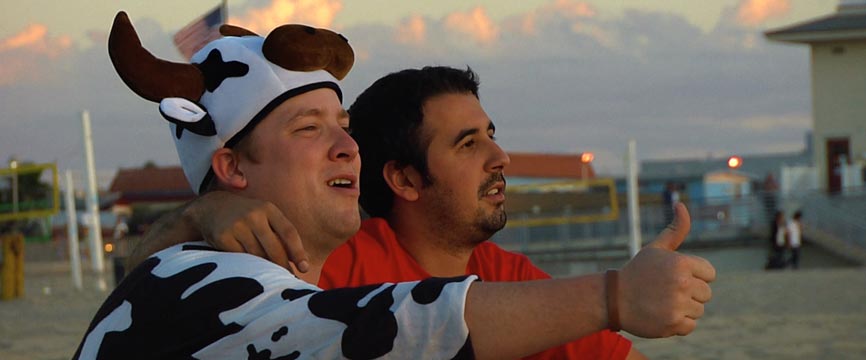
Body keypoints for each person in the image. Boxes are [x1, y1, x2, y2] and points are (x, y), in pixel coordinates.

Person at [76, 12, 714, 359]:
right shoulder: (217, 281)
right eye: (307, 127)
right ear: (231, 168)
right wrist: (613, 295)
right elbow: (391, 328)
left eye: (343, 125)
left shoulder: (199, 268)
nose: (345, 144)